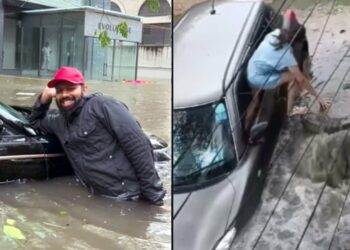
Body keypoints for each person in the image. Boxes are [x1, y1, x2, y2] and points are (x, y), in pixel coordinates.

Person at [29, 66, 166, 205]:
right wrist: (44, 97)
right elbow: (34, 121)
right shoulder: (58, 122)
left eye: (70, 88)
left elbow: (139, 147)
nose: (64, 95)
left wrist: (154, 198)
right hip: (102, 199)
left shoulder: (103, 105)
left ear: (84, 89)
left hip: (130, 197)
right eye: (59, 90)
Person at [244, 26, 330, 131]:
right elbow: (301, 79)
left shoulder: (274, 34)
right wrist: (318, 98)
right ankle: (290, 110)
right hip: (261, 78)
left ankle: (243, 131)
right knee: (294, 77)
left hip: (251, 71)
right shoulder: (286, 55)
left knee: (255, 101)